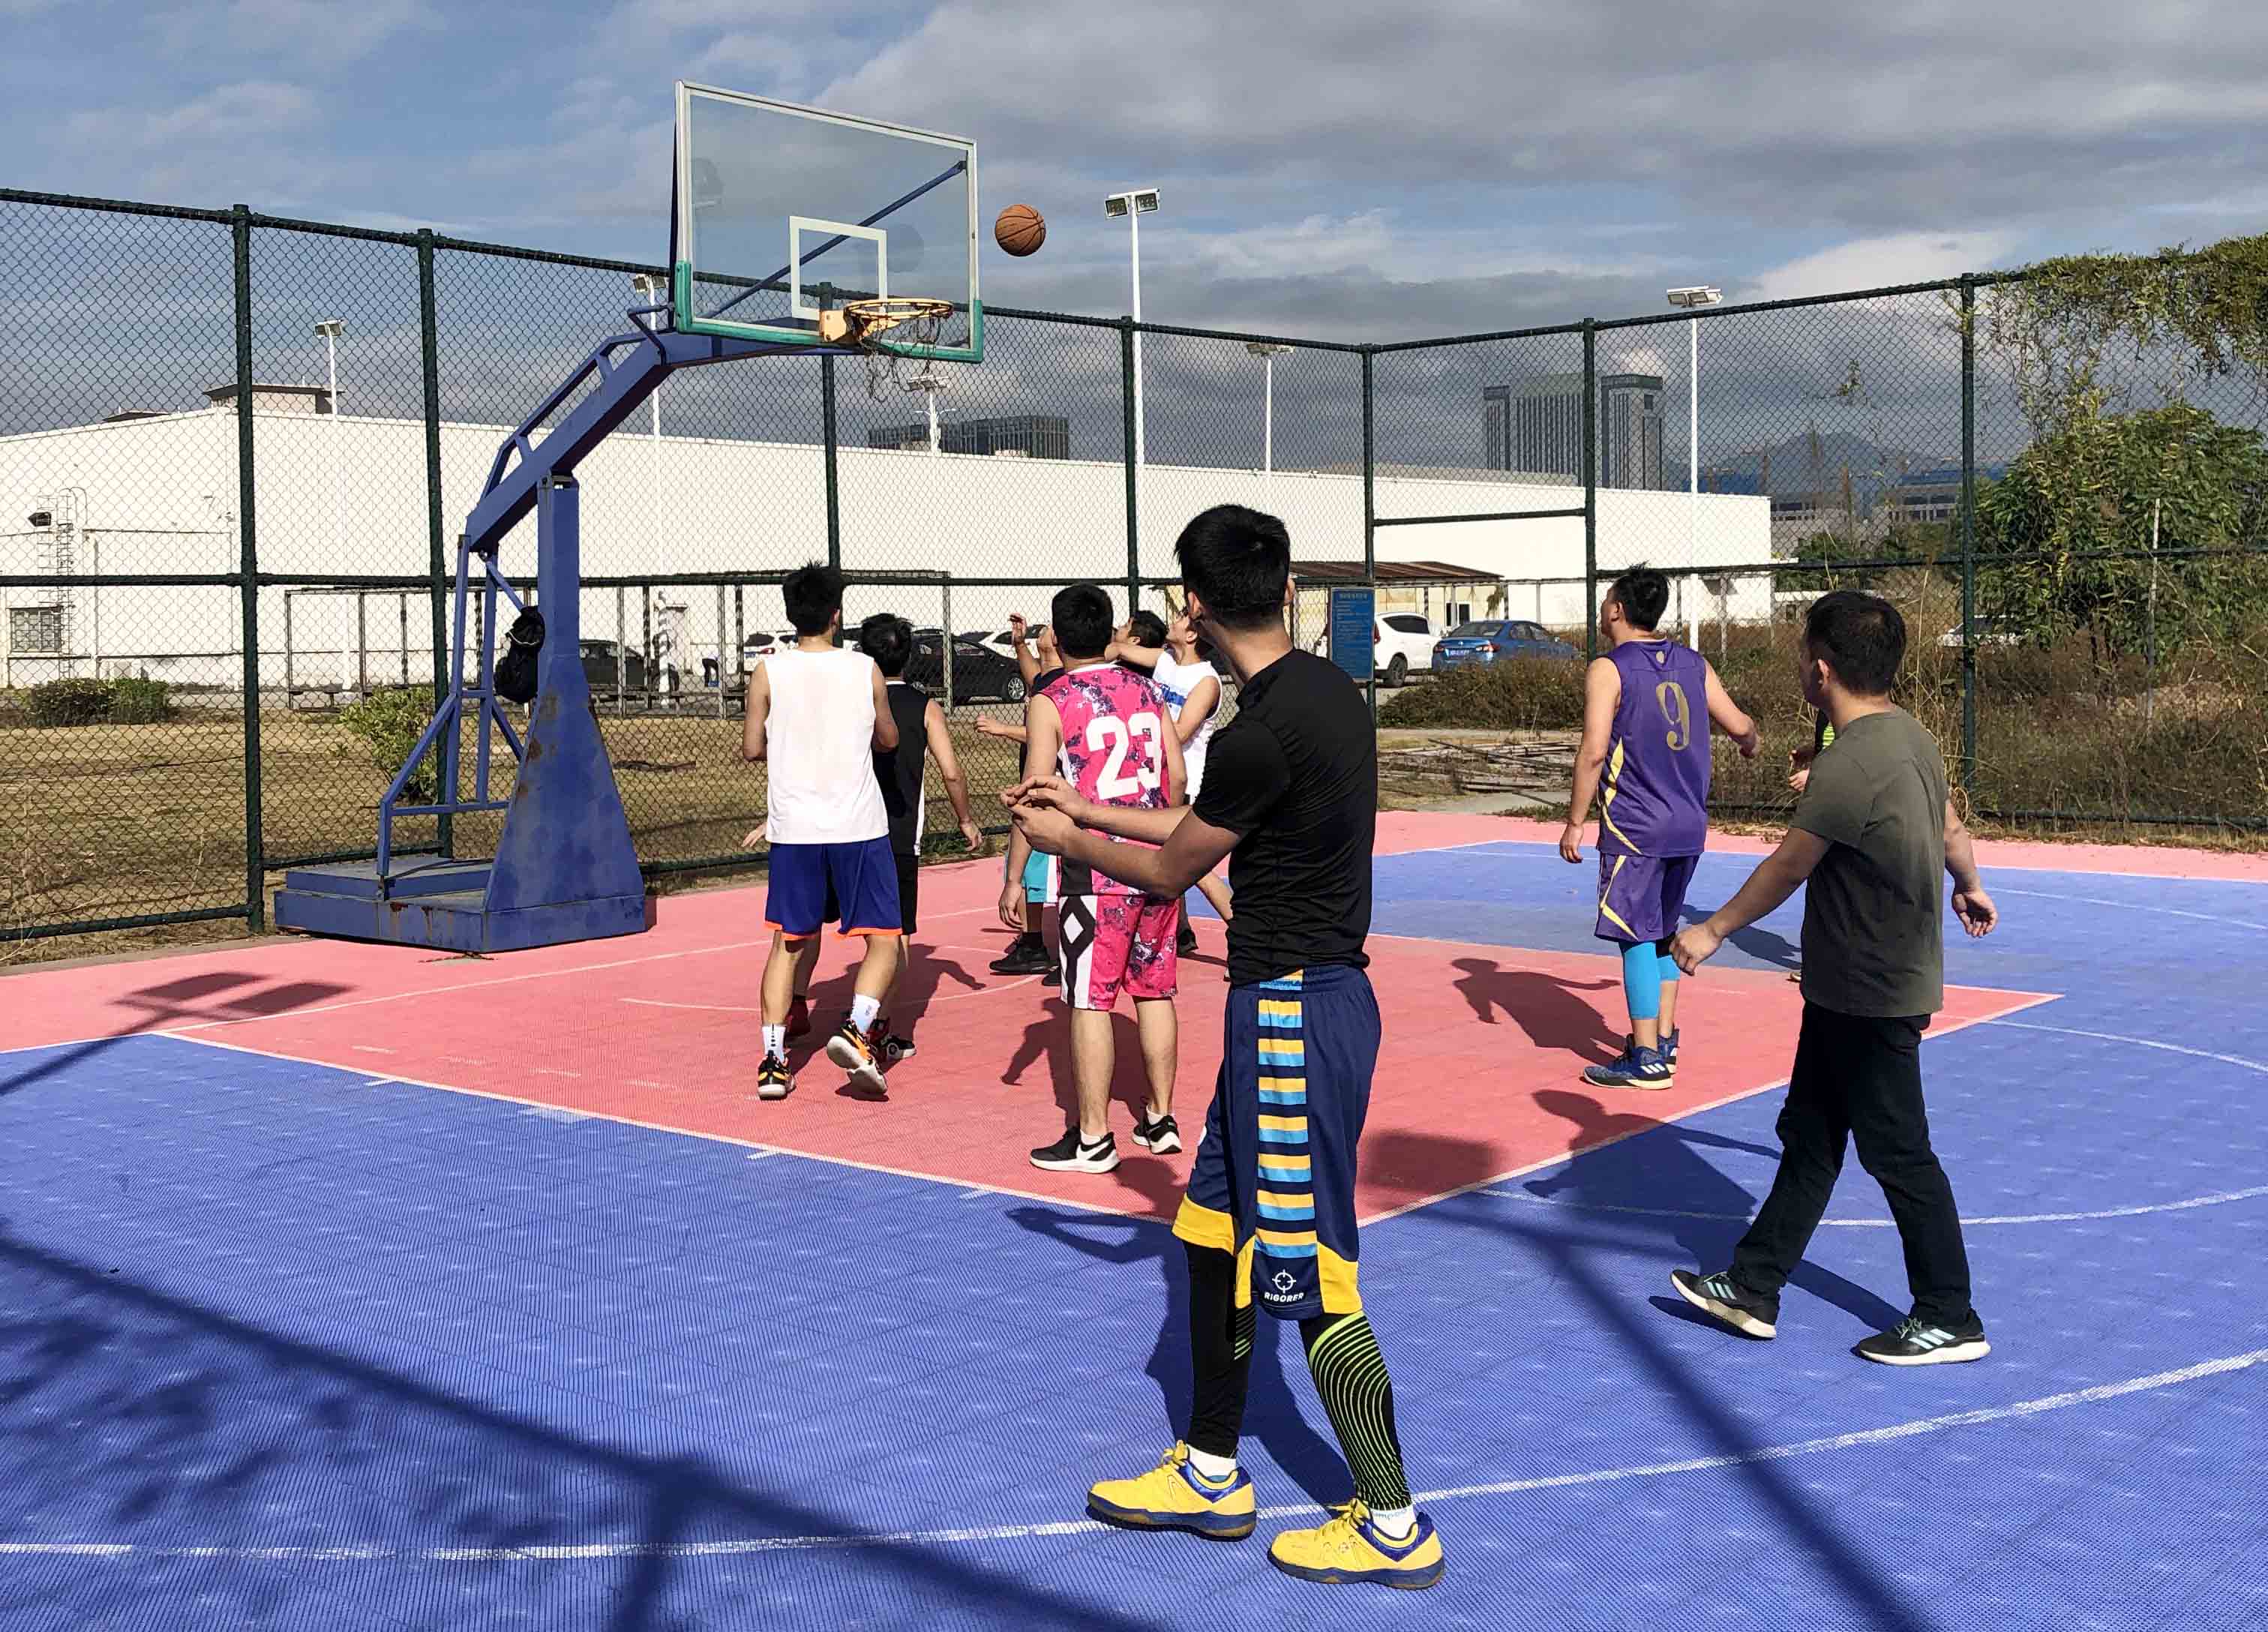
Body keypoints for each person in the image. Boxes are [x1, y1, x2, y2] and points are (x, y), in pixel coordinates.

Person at [1010, 505, 1444, 1591]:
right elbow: (1208, 824)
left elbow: (1171, 871)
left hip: (1295, 1009)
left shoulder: (1264, 730)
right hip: (1286, 1009)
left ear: (1192, 608)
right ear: (1287, 590)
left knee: (1314, 1272)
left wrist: (1065, 837)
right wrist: (1088, 807)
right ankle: (1211, 1467)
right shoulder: (1323, 695)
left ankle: (1394, 1519)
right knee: (1210, 1232)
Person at [1668, 589, 2000, 1366]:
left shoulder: (1848, 762)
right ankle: (1753, 1285)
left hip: (1872, 989)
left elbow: (1790, 865)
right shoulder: (1912, 737)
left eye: (1801, 657)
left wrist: (1713, 929)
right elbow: (1950, 825)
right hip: (1844, 985)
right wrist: (1970, 882)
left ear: (1821, 670)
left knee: (1898, 1153)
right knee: (1811, 1137)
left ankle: (1949, 1314)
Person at [1001, 584, 1187, 1173]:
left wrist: (1014, 877)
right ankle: (1160, 1118)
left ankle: (1093, 1137)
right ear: (1111, 634)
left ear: (1055, 638)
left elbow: (1036, 797)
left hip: (1095, 867)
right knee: (1155, 990)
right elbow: (1178, 776)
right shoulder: (1148, 689)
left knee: (1090, 1001)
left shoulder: (1052, 699)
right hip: (1158, 858)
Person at [1559, 566, 1758, 1089]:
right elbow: (1741, 725)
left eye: (1606, 600)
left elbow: (1594, 751)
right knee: (1664, 934)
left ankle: (1645, 1056)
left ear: (1618, 610)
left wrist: (1575, 822)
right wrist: (1750, 742)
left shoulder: (1609, 669)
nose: (1602, 608)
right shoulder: (1694, 663)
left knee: (1634, 938)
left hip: (1636, 827)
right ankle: (1664, 1040)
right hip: (1688, 825)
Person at [772, 614, 986, 1060]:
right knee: (893, 934)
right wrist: (965, 819)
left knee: (805, 926)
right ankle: (875, 1027)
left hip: (832, 826)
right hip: (893, 835)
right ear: (909, 656)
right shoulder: (924, 707)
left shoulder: (846, 696)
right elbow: (951, 770)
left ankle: (795, 1002)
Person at [740, 562, 902, 1102]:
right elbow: (888, 738)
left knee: (787, 945)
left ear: (792, 615)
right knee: (884, 938)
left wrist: (790, 739)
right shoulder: (865, 669)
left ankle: (772, 1062)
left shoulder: (768, 671)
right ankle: (857, 1028)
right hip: (857, 825)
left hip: (795, 827)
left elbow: (751, 747)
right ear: (837, 615)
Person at [1107, 609, 1235, 954]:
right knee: (1168, 859)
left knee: (1194, 869)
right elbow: (1117, 650)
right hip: (1158, 780)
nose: (1172, 621)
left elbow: (1179, 734)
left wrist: (1140, 723)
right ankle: (1182, 932)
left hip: (1187, 784)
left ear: (1192, 635)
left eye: (1179, 618)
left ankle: (1245, 935)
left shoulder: (1206, 681)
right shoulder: (1164, 661)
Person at [982, 614, 1063, 982]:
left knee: (1042, 868)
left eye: (1047, 630)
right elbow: (1033, 675)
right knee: (1031, 866)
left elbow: (1044, 735)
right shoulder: (1045, 678)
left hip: (1052, 787)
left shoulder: (1060, 684)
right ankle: (1033, 942)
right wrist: (1018, 643)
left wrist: (1003, 729)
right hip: (1036, 782)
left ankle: (1046, 948)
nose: (1042, 632)